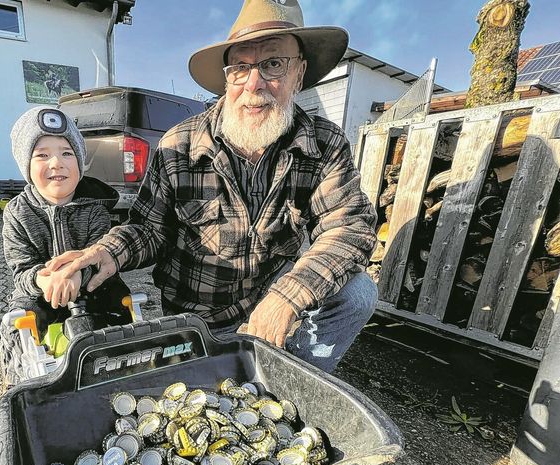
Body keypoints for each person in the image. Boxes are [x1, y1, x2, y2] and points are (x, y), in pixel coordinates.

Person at [46, 0, 378, 374]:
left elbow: (348, 227)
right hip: (195, 317)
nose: (254, 84)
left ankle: (290, 377)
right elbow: (149, 229)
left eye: (273, 64)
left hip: (268, 305)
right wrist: (105, 253)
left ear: (298, 75)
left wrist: (287, 297)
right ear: (227, 77)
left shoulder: (324, 143)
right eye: (240, 67)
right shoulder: (178, 146)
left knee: (359, 293)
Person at [0, 106, 130, 386]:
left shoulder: (96, 207)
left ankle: (129, 367)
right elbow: (21, 268)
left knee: (125, 304)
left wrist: (77, 275)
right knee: (14, 322)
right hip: (41, 293)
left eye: (67, 153)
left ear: (80, 163)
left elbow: (100, 256)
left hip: (94, 286)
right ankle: (15, 388)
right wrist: (42, 279)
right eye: (42, 155)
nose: (56, 162)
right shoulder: (16, 212)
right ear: (26, 165)